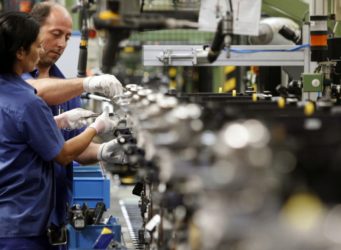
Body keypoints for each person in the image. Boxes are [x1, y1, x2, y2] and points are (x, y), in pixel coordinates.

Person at [0, 11, 115, 250]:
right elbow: (62, 154)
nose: (42, 49)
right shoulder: (27, 99)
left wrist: (102, 149)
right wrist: (97, 127)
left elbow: (16, 136)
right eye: (37, 44)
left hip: (25, 218)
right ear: (20, 51)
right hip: (24, 224)